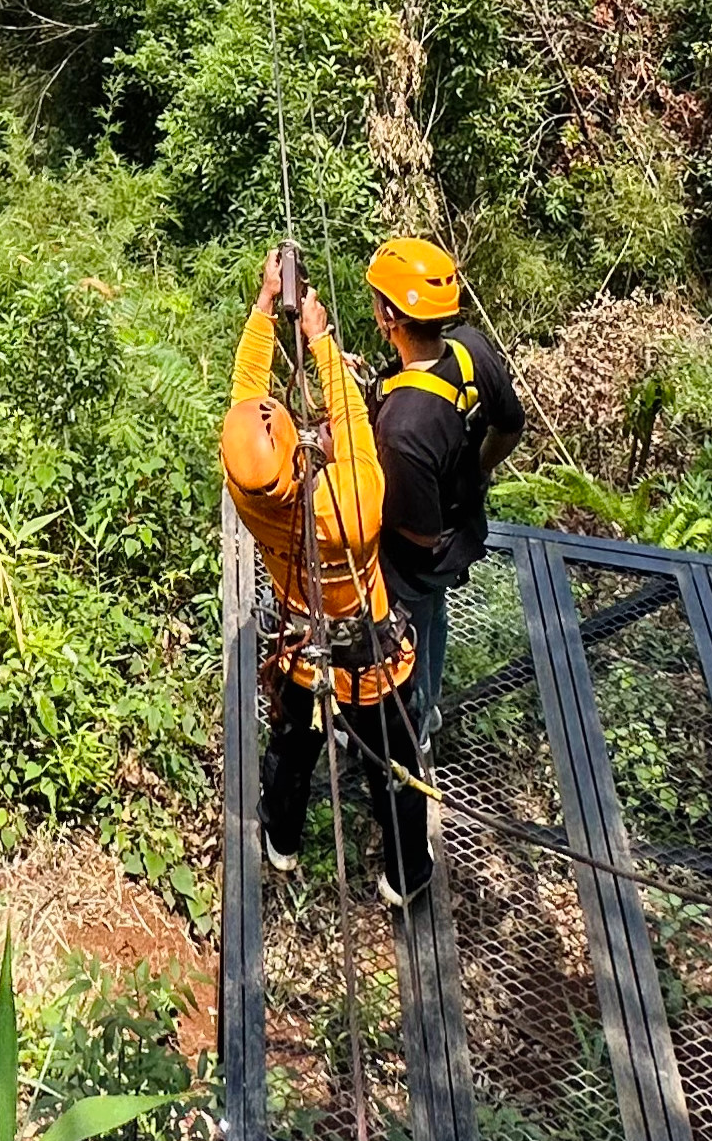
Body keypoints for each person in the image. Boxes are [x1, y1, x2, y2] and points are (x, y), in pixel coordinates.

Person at [220, 247, 432, 906]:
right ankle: (405, 872)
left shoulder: (249, 487)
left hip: (299, 649)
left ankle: (281, 838)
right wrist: (318, 340)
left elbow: (247, 393)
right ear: (298, 455)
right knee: (393, 769)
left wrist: (264, 307)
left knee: (292, 747)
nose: (273, 411)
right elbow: (355, 422)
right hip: (369, 656)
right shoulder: (352, 502)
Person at [364, 233, 525, 740]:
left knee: (403, 633)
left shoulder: (404, 426)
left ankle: (407, 728)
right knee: (433, 617)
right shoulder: (470, 349)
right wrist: (477, 470)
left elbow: (417, 536)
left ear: (390, 317)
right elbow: (511, 424)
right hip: (462, 525)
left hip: (421, 554)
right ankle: (428, 706)